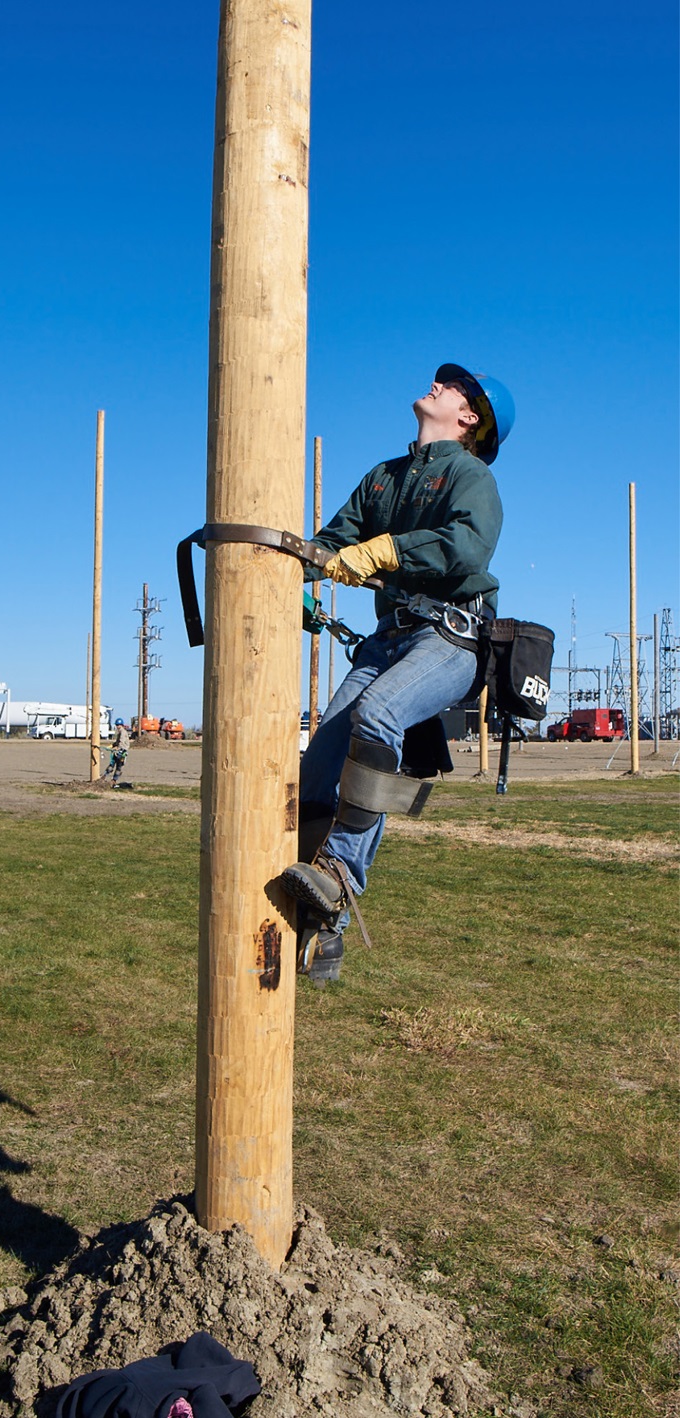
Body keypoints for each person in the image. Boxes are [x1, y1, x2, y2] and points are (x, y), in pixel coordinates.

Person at [279, 362, 515, 983]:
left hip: (448, 638)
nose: (437, 385)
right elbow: (332, 545)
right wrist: (296, 583)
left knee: (378, 714)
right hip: (386, 641)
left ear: (470, 418)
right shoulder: (383, 480)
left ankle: (341, 871)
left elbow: (465, 548)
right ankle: (318, 916)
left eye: (454, 387)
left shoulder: (471, 477)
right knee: (320, 764)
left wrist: (387, 551)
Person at [105, 718, 130, 787]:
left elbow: (121, 742)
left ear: (122, 725)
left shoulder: (123, 732)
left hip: (122, 751)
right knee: (112, 764)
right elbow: (117, 742)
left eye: (119, 725)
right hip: (119, 751)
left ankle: (114, 780)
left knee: (118, 767)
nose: (118, 726)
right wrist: (112, 746)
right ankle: (104, 777)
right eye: (117, 725)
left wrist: (117, 748)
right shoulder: (120, 732)